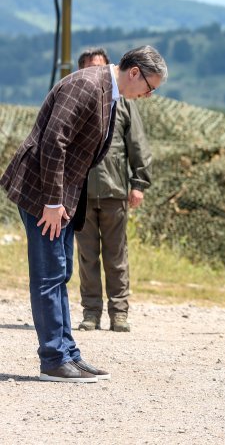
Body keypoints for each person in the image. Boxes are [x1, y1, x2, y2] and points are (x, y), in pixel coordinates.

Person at [0, 45, 167, 382]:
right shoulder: (87, 85)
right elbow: (53, 142)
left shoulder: (109, 92)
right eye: (150, 87)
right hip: (43, 194)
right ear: (135, 72)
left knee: (61, 273)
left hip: (61, 196)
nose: (148, 95)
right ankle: (53, 359)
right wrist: (51, 201)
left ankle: (68, 353)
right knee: (49, 276)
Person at [74, 48, 153, 333]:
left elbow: (138, 145)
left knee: (116, 256)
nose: (95, 73)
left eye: (100, 67)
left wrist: (139, 184)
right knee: (87, 257)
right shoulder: (77, 99)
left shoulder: (124, 103)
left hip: (114, 190)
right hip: (80, 194)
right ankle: (91, 312)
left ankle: (119, 313)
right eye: (89, 68)